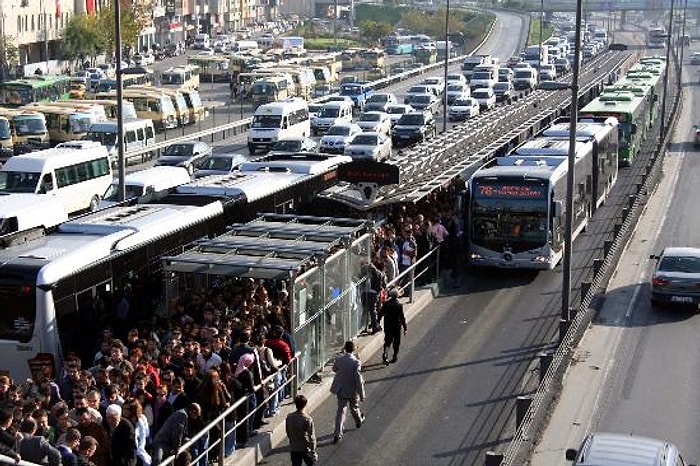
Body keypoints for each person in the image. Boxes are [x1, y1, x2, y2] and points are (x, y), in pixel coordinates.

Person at [329, 341, 365, 444]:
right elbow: (358, 379)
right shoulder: (356, 362)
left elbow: (334, 369)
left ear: (345, 348)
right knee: (354, 407)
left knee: (341, 411)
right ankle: (358, 420)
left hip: (341, 389)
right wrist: (362, 394)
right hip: (352, 390)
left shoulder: (339, 359)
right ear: (353, 349)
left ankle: (337, 433)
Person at [378, 288, 408, 365]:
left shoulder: (386, 304)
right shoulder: (399, 305)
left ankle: (385, 354)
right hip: (396, 326)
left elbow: (380, 314)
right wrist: (405, 328)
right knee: (396, 341)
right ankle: (394, 356)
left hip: (387, 325)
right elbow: (402, 317)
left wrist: (377, 322)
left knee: (387, 340)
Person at [285, 395, 317, 466]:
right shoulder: (307, 419)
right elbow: (311, 437)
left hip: (294, 447)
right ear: (305, 405)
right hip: (304, 448)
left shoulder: (289, 417)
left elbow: (288, 432)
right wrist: (313, 451)